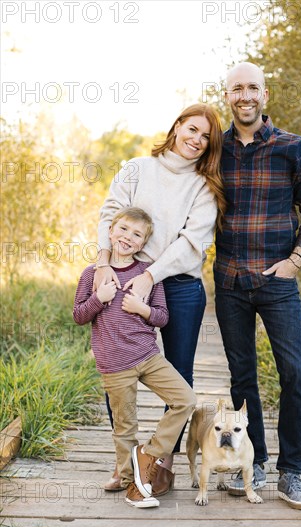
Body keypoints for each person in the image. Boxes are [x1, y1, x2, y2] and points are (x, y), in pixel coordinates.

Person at [94, 104, 226, 493]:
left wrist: (151, 274)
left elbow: (193, 243)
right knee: (117, 369)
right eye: (192, 129)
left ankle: (158, 462)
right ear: (177, 127)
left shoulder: (204, 186)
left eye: (205, 137)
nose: (196, 140)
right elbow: (110, 214)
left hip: (180, 286)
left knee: (179, 376)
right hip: (123, 278)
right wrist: (104, 262)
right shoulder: (137, 167)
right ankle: (126, 464)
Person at [214, 62, 301, 510]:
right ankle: (253, 463)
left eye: (252, 88)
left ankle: (291, 473)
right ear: (227, 96)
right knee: (243, 378)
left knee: (294, 372)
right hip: (229, 282)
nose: (245, 95)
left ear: (265, 95)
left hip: (278, 280)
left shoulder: (292, 148)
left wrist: (295, 260)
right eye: (236, 88)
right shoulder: (212, 151)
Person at [73, 207, 197, 508]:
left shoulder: (148, 274)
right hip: (114, 363)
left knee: (185, 399)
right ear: (111, 232)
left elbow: (162, 317)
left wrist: (143, 310)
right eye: (123, 230)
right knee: (124, 427)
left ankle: (150, 454)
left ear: (142, 243)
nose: (128, 237)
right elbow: (78, 315)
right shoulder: (92, 274)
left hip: (148, 356)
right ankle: (132, 484)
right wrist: (98, 300)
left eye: (137, 234)